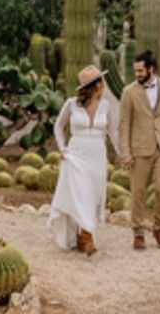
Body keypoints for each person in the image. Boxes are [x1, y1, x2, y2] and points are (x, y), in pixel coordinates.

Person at [48, 65, 120, 256]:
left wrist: (122, 154)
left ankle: (84, 234)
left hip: (97, 152)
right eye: (101, 81)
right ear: (95, 85)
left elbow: (112, 132)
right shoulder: (72, 104)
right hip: (76, 153)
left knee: (93, 194)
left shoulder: (106, 106)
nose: (104, 84)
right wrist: (62, 148)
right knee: (80, 193)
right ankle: (86, 235)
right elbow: (58, 126)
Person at [118, 50, 160, 251]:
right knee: (138, 193)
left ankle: (158, 228)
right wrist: (125, 153)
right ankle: (138, 233)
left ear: (150, 69)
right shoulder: (129, 92)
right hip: (139, 150)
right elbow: (124, 123)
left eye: (140, 70)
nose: (136, 74)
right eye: (135, 70)